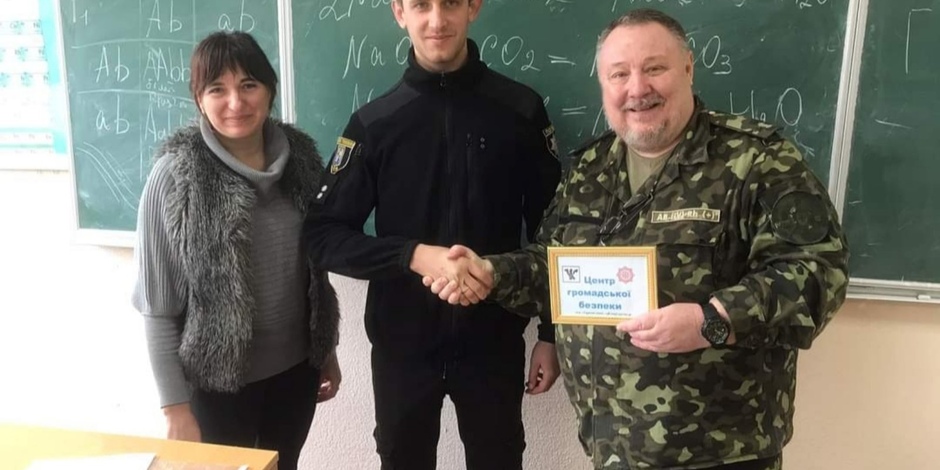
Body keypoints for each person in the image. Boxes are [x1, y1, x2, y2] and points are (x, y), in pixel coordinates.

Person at [424, 8, 849, 470]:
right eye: (619, 74)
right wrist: (491, 273)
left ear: (687, 68)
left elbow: (817, 271)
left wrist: (711, 320)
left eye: (654, 68)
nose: (637, 88)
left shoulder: (756, 161)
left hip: (721, 452)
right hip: (612, 444)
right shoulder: (591, 168)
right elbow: (553, 268)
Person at [303, 0, 562, 468]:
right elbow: (322, 236)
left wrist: (551, 333)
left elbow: (555, 232)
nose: (437, 20)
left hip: (494, 344)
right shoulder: (374, 123)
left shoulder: (521, 110)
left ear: (473, 7)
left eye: (450, 4)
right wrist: (412, 255)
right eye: (421, 5)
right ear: (399, 12)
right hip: (402, 349)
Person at [132, 31, 340, 470]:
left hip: (296, 375)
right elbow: (158, 308)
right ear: (199, 98)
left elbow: (312, 274)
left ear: (270, 90)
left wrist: (326, 351)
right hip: (216, 388)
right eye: (217, 89)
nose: (235, 102)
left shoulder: (302, 161)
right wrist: (175, 410)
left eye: (249, 85)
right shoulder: (176, 176)